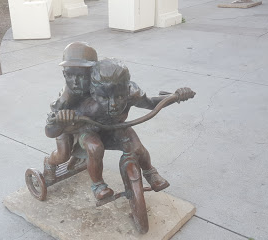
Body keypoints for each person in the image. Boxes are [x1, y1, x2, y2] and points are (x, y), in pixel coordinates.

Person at [46, 58, 195, 200]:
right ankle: (97, 185)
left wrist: (175, 97)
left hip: (114, 127)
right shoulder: (84, 105)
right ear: (93, 93)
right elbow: (51, 131)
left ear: (127, 89)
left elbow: (151, 103)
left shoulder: (132, 93)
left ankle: (150, 171)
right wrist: (61, 120)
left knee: (137, 147)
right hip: (87, 130)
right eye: (104, 98)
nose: (113, 105)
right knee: (89, 149)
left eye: (119, 97)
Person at [43, 42, 98, 182]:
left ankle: (79, 155)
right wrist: (60, 121)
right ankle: (49, 162)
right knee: (63, 155)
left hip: (86, 124)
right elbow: (50, 131)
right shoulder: (65, 99)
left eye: (82, 76)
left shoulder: (99, 89)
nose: (74, 82)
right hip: (67, 127)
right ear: (64, 74)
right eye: (69, 75)